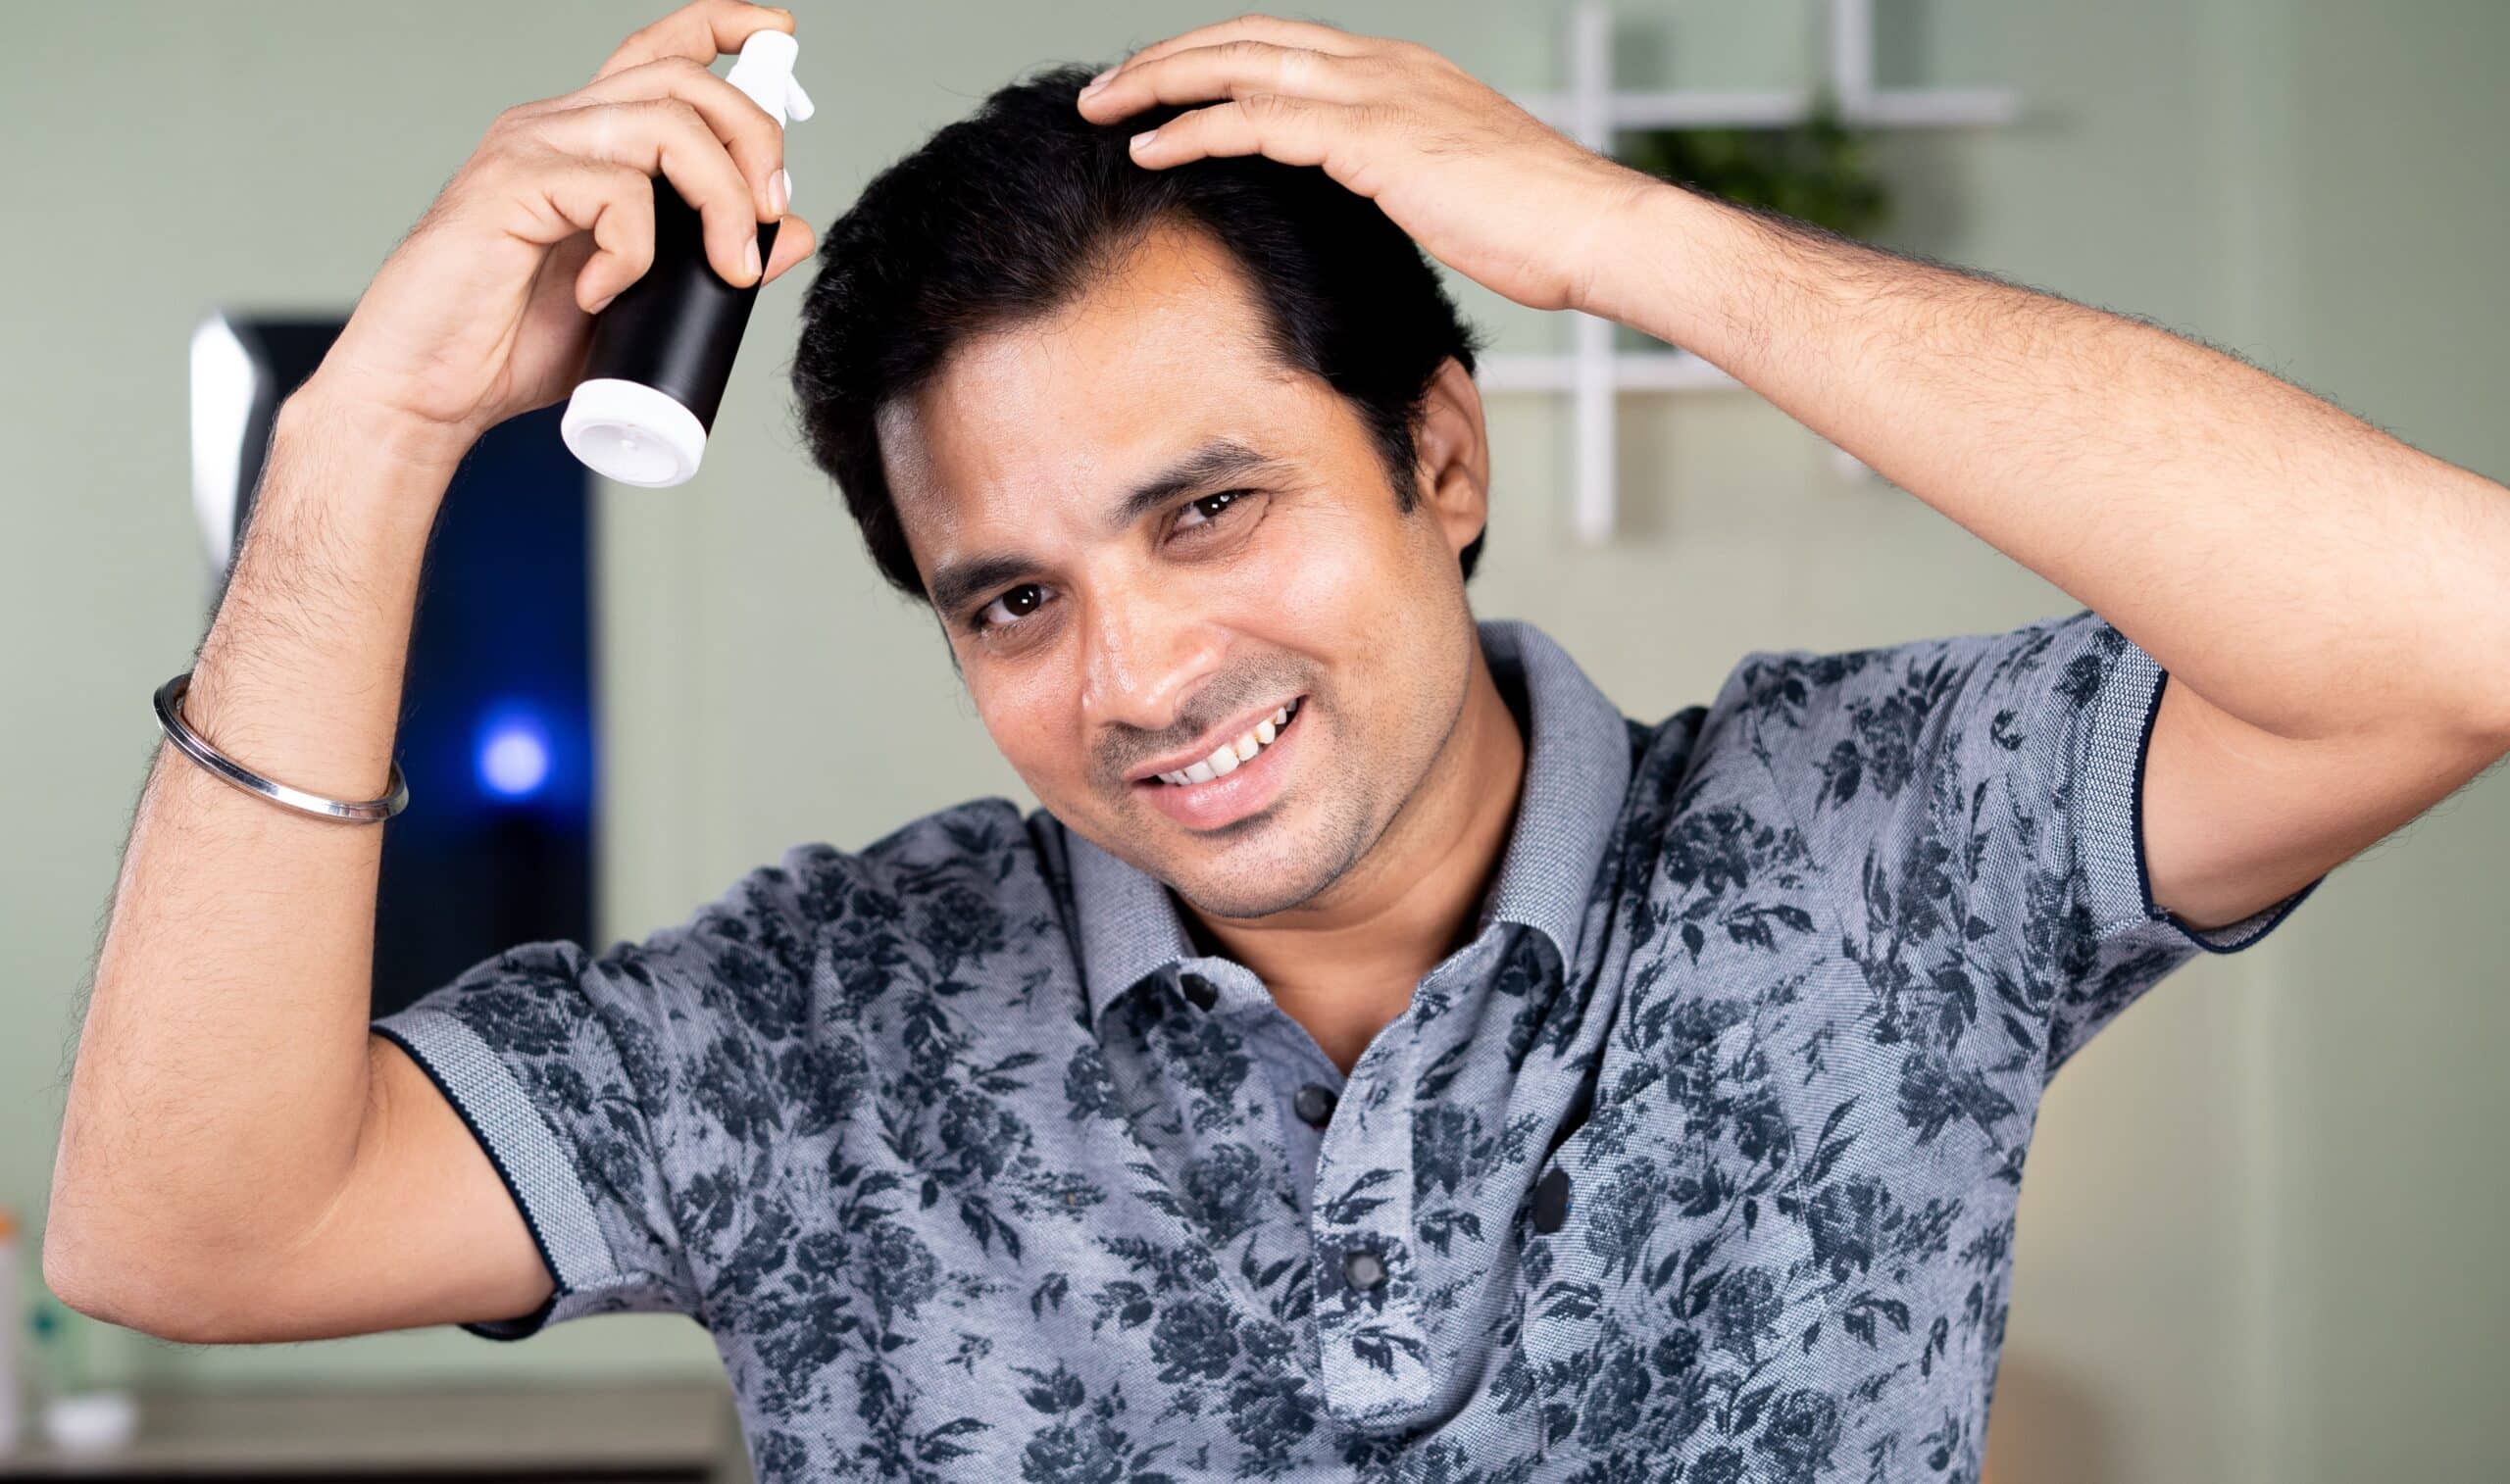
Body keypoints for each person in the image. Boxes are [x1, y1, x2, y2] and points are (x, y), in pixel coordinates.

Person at [48, 2, 2509, 1479]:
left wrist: (1630, 238)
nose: (1132, 675)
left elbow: (2457, 634)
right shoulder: (817, 1027)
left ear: (1437, 457)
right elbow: (185, 1232)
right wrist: (364, 440)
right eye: (1012, 597)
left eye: (1206, 507)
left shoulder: (1880, 847)